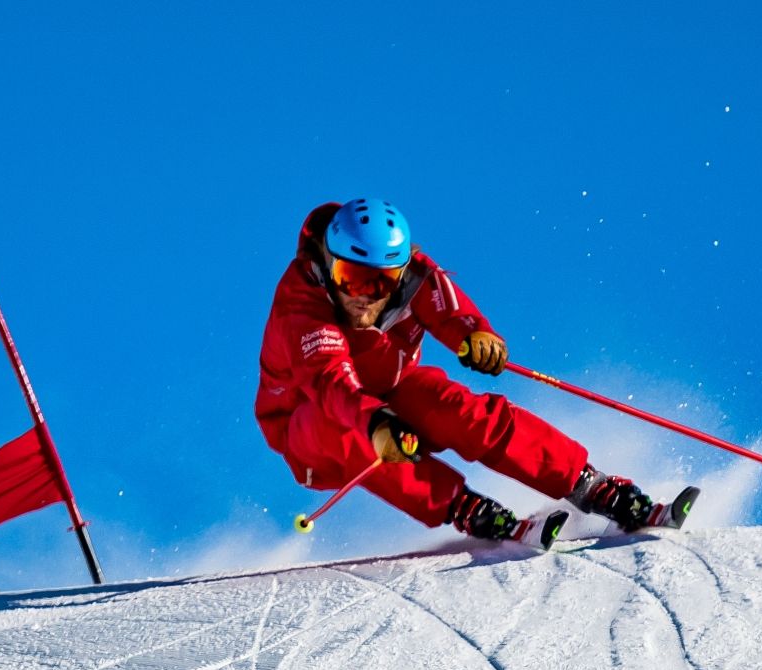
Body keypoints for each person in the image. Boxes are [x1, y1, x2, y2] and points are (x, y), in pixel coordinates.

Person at [255, 198, 678, 540]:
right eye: (351, 277)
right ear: (329, 262)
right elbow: (330, 384)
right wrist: (376, 423)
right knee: (352, 429)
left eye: (379, 283)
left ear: (399, 275)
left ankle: (587, 484)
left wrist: (477, 336)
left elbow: (452, 314)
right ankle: (461, 505)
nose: (363, 296)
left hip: (389, 387)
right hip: (306, 420)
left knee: (457, 409)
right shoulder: (302, 301)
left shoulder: (417, 278)